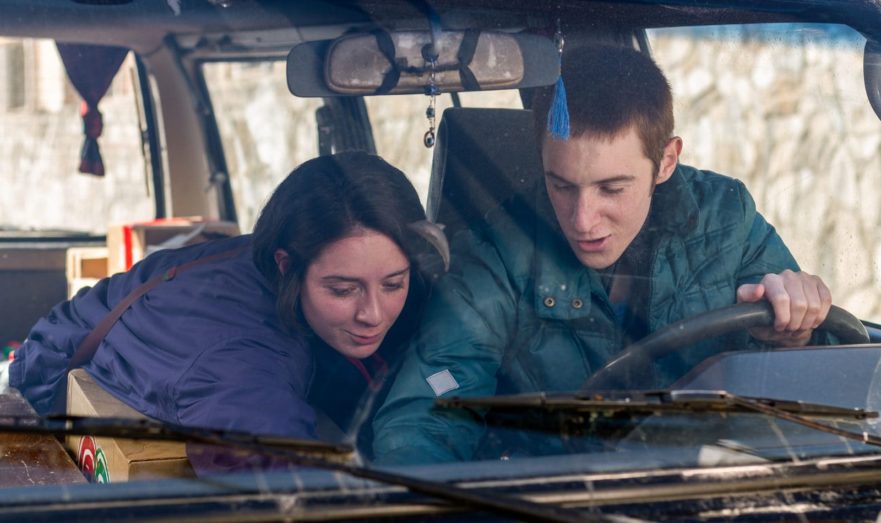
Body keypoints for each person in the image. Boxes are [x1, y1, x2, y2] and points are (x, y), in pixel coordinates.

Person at [371, 45, 833, 465]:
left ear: (666, 161)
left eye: (612, 189)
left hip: (725, 486)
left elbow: (826, 386)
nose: (582, 219)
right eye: (561, 185)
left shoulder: (727, 218)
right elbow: (427, 415)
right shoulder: (494, 252)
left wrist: (796, 333)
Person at [9, 151, 445, 464]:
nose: (373, 314)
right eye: (344, 290)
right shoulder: (241, 367)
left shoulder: (259, 255)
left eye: (394, 283)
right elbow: (291, 496)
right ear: (287, 265)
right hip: (43, 392)